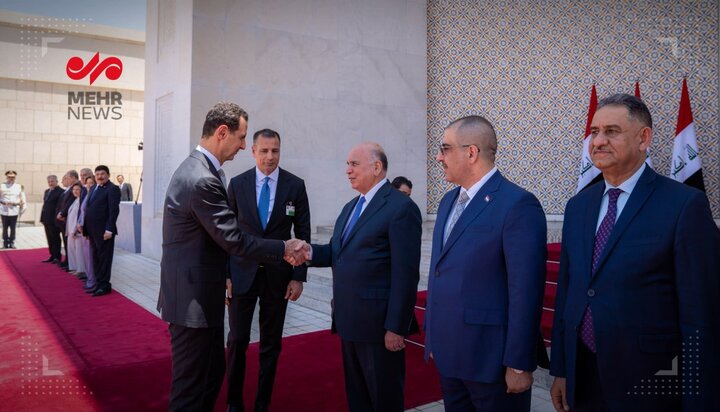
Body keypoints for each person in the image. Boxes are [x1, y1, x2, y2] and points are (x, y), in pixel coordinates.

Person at [550, 94, 720, 412]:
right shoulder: (578, 207)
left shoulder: (684, 205)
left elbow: (702, 317)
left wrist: (699, 400)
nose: (598, 141)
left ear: (644, 138)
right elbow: (568, 293)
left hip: (651, 383)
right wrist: (561, 368)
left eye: (611, 131)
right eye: (594, 131)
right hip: (583, 375)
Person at [156, 102, 307, 412]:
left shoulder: (203, 171)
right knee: (189, 392)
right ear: (222, 133)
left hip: (201, 301)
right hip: (192, 304)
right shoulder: (202, 179)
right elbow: (233, 238)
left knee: (211, 377)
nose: (242, 146)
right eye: (241, 138)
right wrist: (284, 248)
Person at [423, 115, 547, 412]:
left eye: (445, 148)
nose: (439, 157)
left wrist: (518, 362)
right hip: (450, 354)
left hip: (491, 360)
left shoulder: (518, 204)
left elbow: (525, 290)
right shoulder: (447, 202)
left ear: (471, 152)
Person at [307, 142, 422, 412]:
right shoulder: (351, 207)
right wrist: (308, 251)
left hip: (379, 327)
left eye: (354, 164)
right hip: (349, 322)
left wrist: (396, 327)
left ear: (377, 167)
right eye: (347, 164)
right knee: (358, 399)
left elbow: (406, 275)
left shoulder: (400, 208)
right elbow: (337, 252)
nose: (347, 171)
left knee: (384, 399)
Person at [225, 128, 311, 412]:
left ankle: (263, 404)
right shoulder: (237, 185)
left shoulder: (295, 185)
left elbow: (303, 233)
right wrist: (225, 275)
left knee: (271, 344)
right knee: (237, 340)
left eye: (274, 150)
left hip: (278, 276)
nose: (269, 156)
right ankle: (234, 403)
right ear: (253, 151)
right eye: (264, 150)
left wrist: (298, 277)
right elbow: (226, 234)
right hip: (241, 275)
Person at [82, 165, 120, 297]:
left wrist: (109, 229)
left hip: (104, 232)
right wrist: (86, 231)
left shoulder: (112, 189)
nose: (100, 176)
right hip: (92, 231)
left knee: (104, 259)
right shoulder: (93, 188)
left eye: (102, 174)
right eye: (97, 174)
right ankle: (98, 283)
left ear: (108, 175)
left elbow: (113, 211)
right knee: (96, 258)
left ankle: (104, 286)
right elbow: (88, 209)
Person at [56, 170, 80, 270]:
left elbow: (69, 203)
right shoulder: (70, 188)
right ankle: (68, 262)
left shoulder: (76, 187)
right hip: (66, 220)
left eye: (68, 178)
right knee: (67, 244)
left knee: (72, 245)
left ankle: (71, 263)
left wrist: (62, 213)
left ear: (73, 177)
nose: (66, 180)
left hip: (70, 221)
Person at [77, 175, 96, 291]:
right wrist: (79, 223)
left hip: (90, 231)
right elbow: (82, 212)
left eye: (91, 183)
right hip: (83, 230)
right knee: (86, 255)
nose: (89, 185)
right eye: (87, 183)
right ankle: (89, 278)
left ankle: (93, 280)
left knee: (91, 257)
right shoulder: (86, 195)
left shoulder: (94, 196)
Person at [40, 175, 64, 262]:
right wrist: (42, 218)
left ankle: (57, 257)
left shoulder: (61, 191)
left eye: (52, 181)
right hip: (46, 219)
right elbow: (45, 205)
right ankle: (52, 255)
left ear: (56, 181)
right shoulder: (47, 191)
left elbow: (60, 206)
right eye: (49, 182)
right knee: (49, 238)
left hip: (54, 220)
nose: (50, 183)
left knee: (55, 238)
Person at [65, 182, 85, 276]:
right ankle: (74, 267)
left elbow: (78, 217)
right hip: (70, 229)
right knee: (71, 249)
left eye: (77, 190)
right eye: (74, 190)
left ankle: (80, 269)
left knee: (78, 250)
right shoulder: (75, 200)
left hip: (76, 230)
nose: (75, 191)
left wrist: (74, 230)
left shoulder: (81, 201)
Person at [1, 170, 22, 248]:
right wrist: (2, 202)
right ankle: (5, 242)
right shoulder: (2, 186)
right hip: (4, 210)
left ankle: (12, 242)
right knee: (5, 227)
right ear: (7, 177)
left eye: (13, 177)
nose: (11, 178)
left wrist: (21, 206)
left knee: (13, 228)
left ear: (15, 177)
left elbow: (21, 198)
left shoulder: (18, 186)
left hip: (14, 210)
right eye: (9, 177)